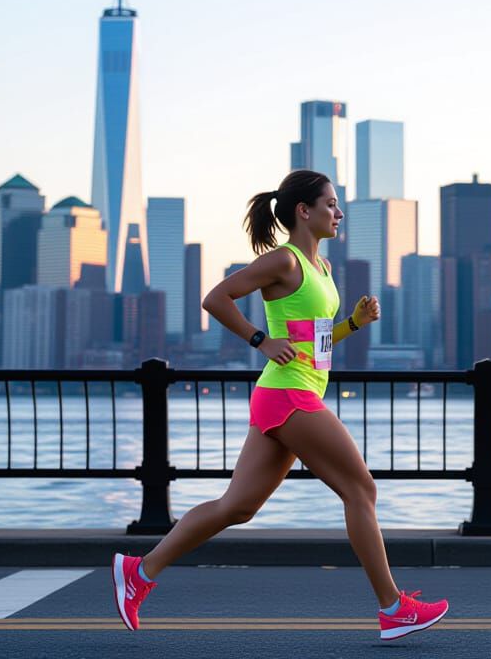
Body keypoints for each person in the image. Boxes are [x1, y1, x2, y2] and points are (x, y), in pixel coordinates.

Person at [113, 169, 448, 641]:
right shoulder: (284, 262)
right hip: (288, 393)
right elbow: (216, 298)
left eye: (338, 204)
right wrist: (260, 340)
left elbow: (316, 341)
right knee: (361, 490)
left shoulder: (323, 270)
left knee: (237, 506)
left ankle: (139, 572)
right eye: (330, 204)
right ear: (303, 212)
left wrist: (352, 322)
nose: (339, 212)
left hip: (290, 392)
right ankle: (393, 608)